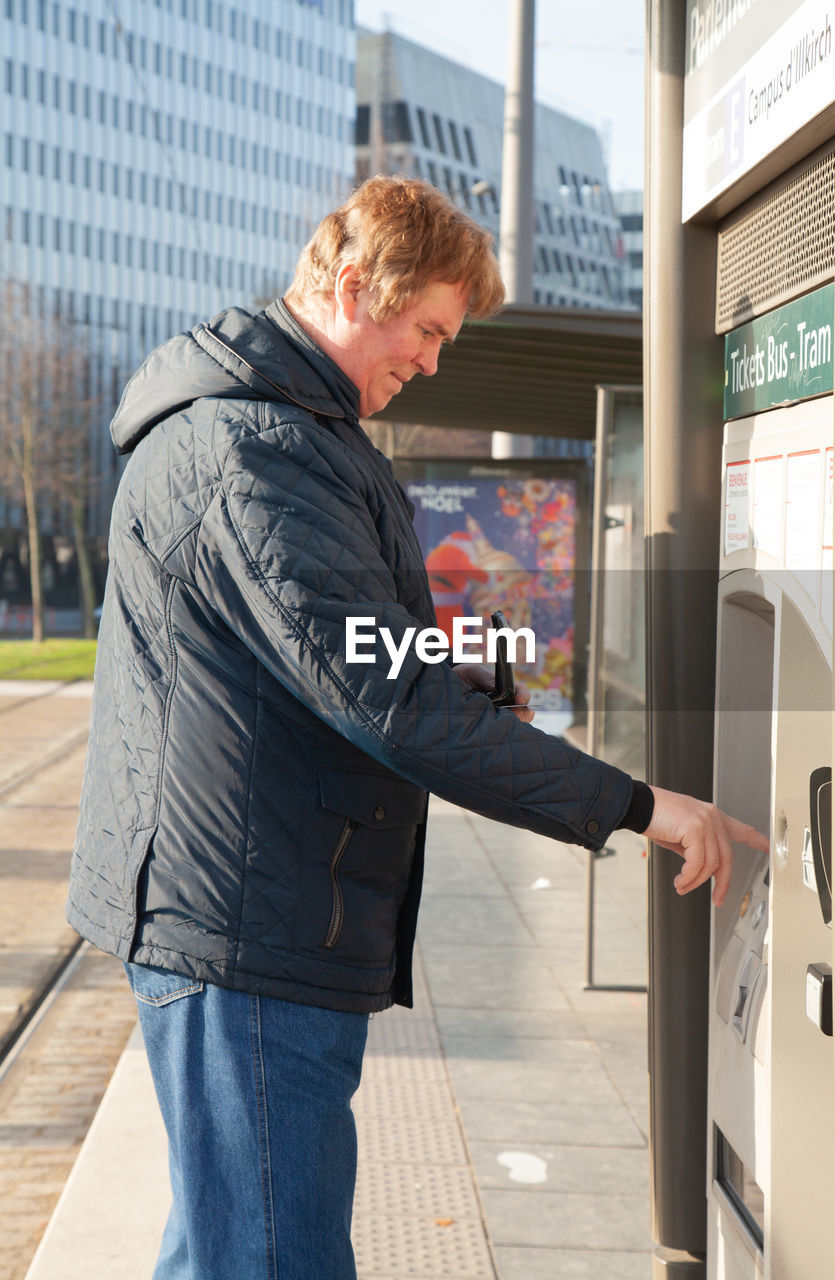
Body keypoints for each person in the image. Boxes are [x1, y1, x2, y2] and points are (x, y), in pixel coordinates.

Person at [67, 176, 768, 1280]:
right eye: (428, 329)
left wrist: (465, 661)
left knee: (225, 1244)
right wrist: (638, 805)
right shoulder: (256, 453)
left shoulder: (305, 433)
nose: (434, 360)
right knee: (271, 1254)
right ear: (353, 287)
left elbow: (337, 653)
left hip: (261, 907)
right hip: (248, 925)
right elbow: (381, 699)